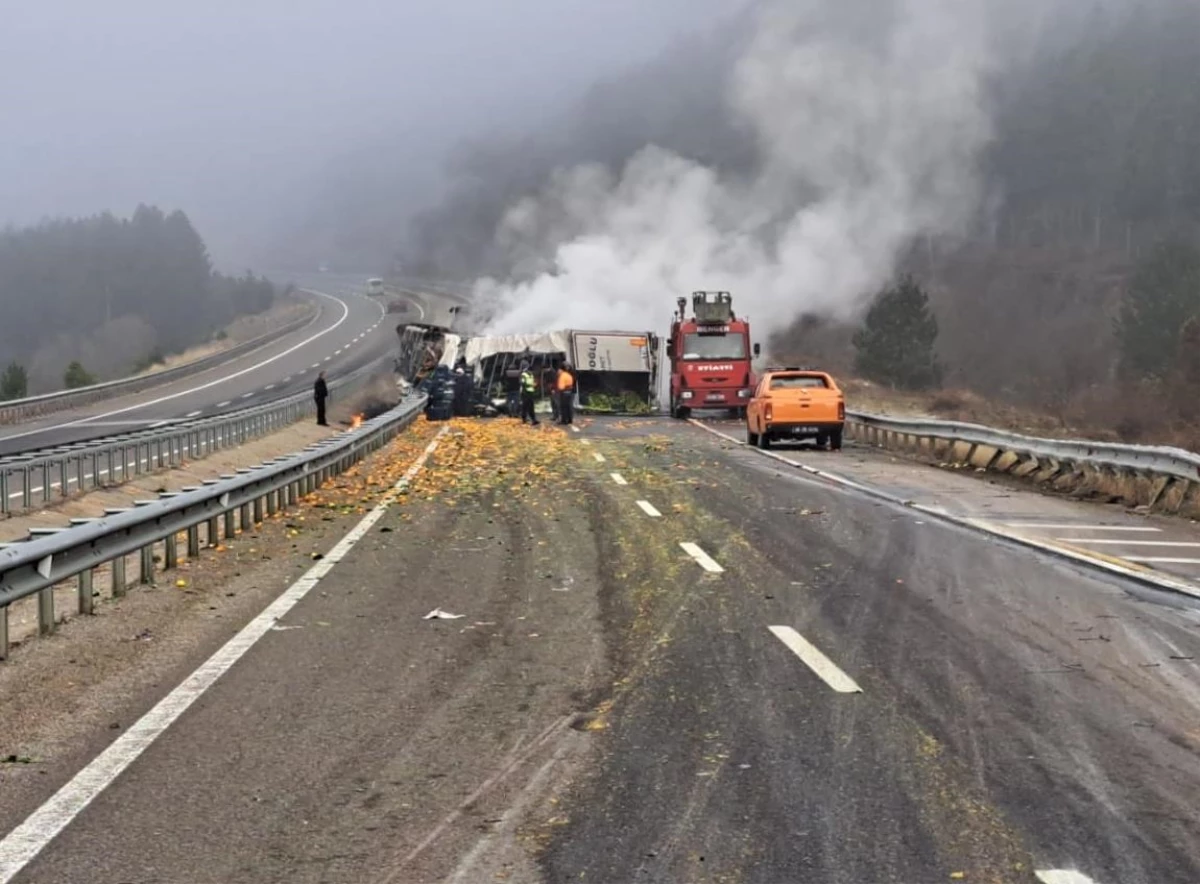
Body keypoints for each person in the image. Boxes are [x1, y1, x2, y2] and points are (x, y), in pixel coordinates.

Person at [519, 361, 539, 426]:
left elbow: (523, 383)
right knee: (531, 406)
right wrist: (532, 385)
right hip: (531, 392)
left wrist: (529, 385)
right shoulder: (531, 374)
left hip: (525, 392)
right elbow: (533, 382)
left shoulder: (523, 374)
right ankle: (533, 419)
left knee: (524, 406)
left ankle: (524, 419)